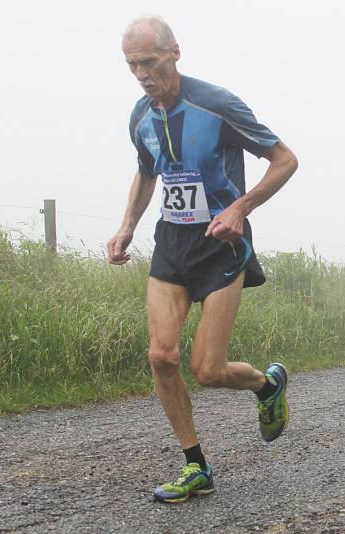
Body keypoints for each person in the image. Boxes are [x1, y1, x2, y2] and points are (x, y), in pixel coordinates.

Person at [106, 17, 299, 503]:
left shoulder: (216, 104)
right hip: (172, 244)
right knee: (161, 356)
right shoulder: (140, 117)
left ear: (175, 52)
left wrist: (240, 207)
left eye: (148, 62)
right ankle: (197, 468)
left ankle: (266, 383)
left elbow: (285, 160)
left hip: (221, 245)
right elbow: (146, 172)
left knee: (208, 370)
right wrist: (127, 225)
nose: (142, 74)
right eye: (132, 65)